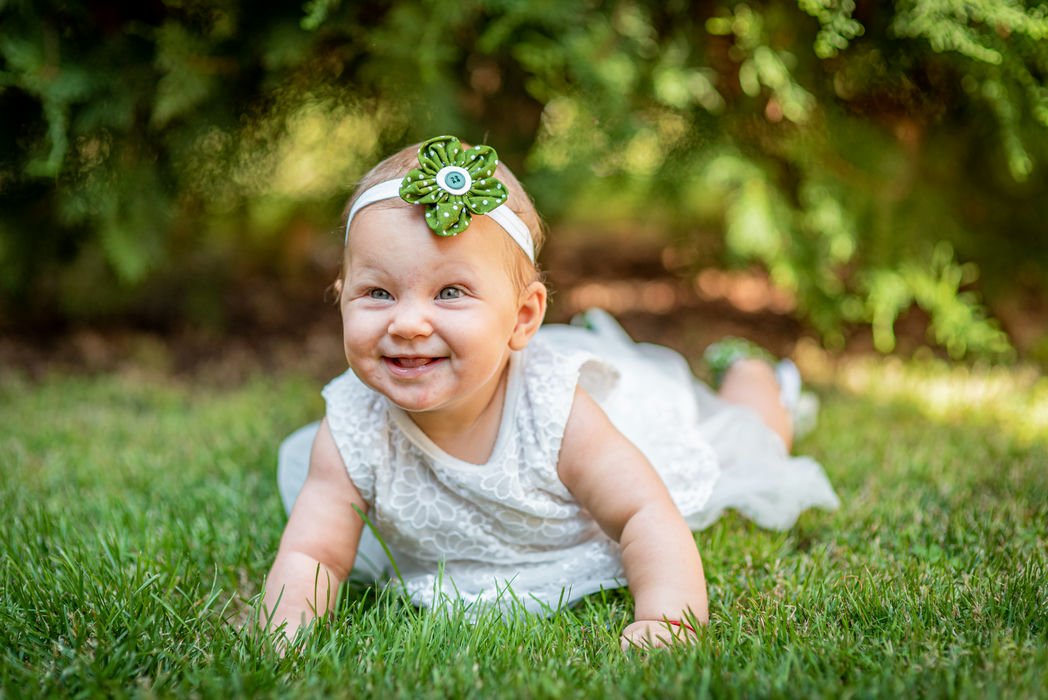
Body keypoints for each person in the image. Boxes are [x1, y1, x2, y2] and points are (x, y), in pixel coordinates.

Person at [262, 135, 839, 649]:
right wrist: (283, 636)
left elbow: (643, 511)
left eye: (451, 293)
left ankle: (752, 373)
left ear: (522, 317)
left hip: (636, 433)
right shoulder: (354, 422)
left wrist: (667, 620)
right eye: (378, 294)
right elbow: (314, 553)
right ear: (342, 297)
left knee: (749, 441)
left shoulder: (555, 409)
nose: (408, 323)